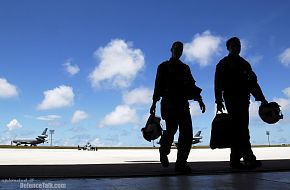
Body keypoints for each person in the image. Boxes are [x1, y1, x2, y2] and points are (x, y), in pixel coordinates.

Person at [150, 41, 206, 173]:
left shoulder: (185, 68)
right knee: (171, 130)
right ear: (171, 49)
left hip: (182, 104)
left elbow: (191, 85)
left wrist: (200, 99)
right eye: (176, 48)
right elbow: (157, 85)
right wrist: (154, 103)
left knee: (187, 133)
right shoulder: (163, 66)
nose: (178, 50)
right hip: (169, 103)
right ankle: (164, 150)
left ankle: (181, 163)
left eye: (180, 49)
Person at [214, 37, 268, 169]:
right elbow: (218, 83)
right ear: (228, 48)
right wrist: (219, 100)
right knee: (241, 129)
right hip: (231, 100)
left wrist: (262, 99)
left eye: (238, 45)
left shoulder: (245, 64)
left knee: (238, 130)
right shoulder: (223, 63)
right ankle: (249, 158)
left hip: (244, 100)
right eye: (233, 46)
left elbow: (253, 84)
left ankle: (235, 161)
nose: (236, 47)